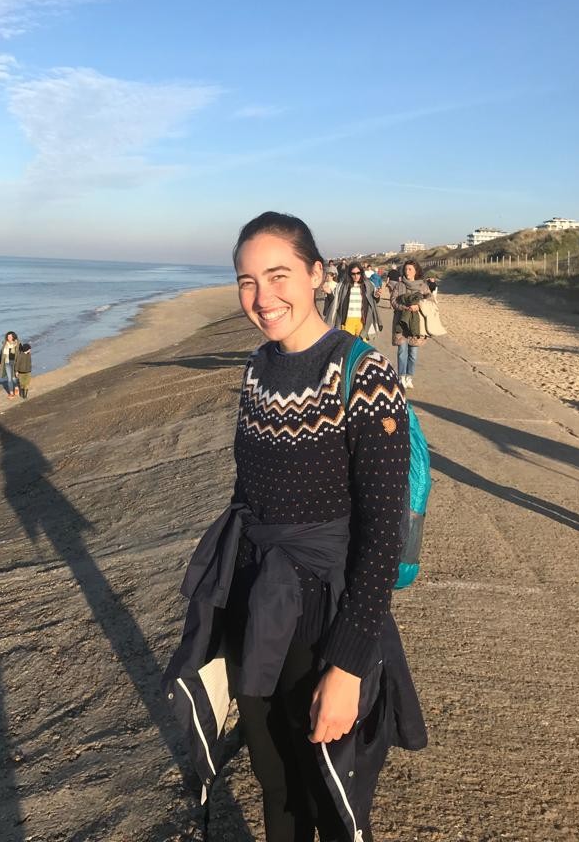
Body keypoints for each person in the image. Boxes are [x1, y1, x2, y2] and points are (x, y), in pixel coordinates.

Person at [165, 212, 426, 842]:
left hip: (327, 616)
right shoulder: (256, 369)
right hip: (260, 609)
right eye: (246, 281)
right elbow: (244, 495)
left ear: (317, 275)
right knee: (275, 789)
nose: (262, 297)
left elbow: (381, 536)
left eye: (278, 275)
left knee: (331, 801)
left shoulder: (364, 375)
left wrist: (348, 665)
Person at [389, 260, 433, 391]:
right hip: (401, 322)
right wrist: (405, 307)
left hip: (417, 324)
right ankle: (401, 376)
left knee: (413, 352)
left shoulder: (422, 285)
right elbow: (393, 301)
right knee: (402, 351)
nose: (407, 272)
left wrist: (418, 305)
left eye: (410, 269)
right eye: (406, 269)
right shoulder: (399, 285)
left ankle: (409, 377)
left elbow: (430, 300)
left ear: (416, 271)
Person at [330, 263, 383, 341]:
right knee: (347, 348)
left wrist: (377, 295)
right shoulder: (342, 286)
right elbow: (335, 301)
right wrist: (328, 294)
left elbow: (374, 301)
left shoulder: (368, 285)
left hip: (362, 321)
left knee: (362, 347)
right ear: (349, 274)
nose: (356, 276)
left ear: (361, 273)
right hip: (347, 321)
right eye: (353, 274)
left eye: (358, 273)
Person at [0, 331, 20, 397]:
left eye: (10, 336)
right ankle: (11, 393)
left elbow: (20, 354)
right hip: (7, 362)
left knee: (13, 378)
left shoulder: (17, 344)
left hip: (15, 363)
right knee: (9, 378)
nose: (9, 338)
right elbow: (1, 354)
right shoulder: (5, 344)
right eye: (8, 336)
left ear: (13, 336)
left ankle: (16, 387)